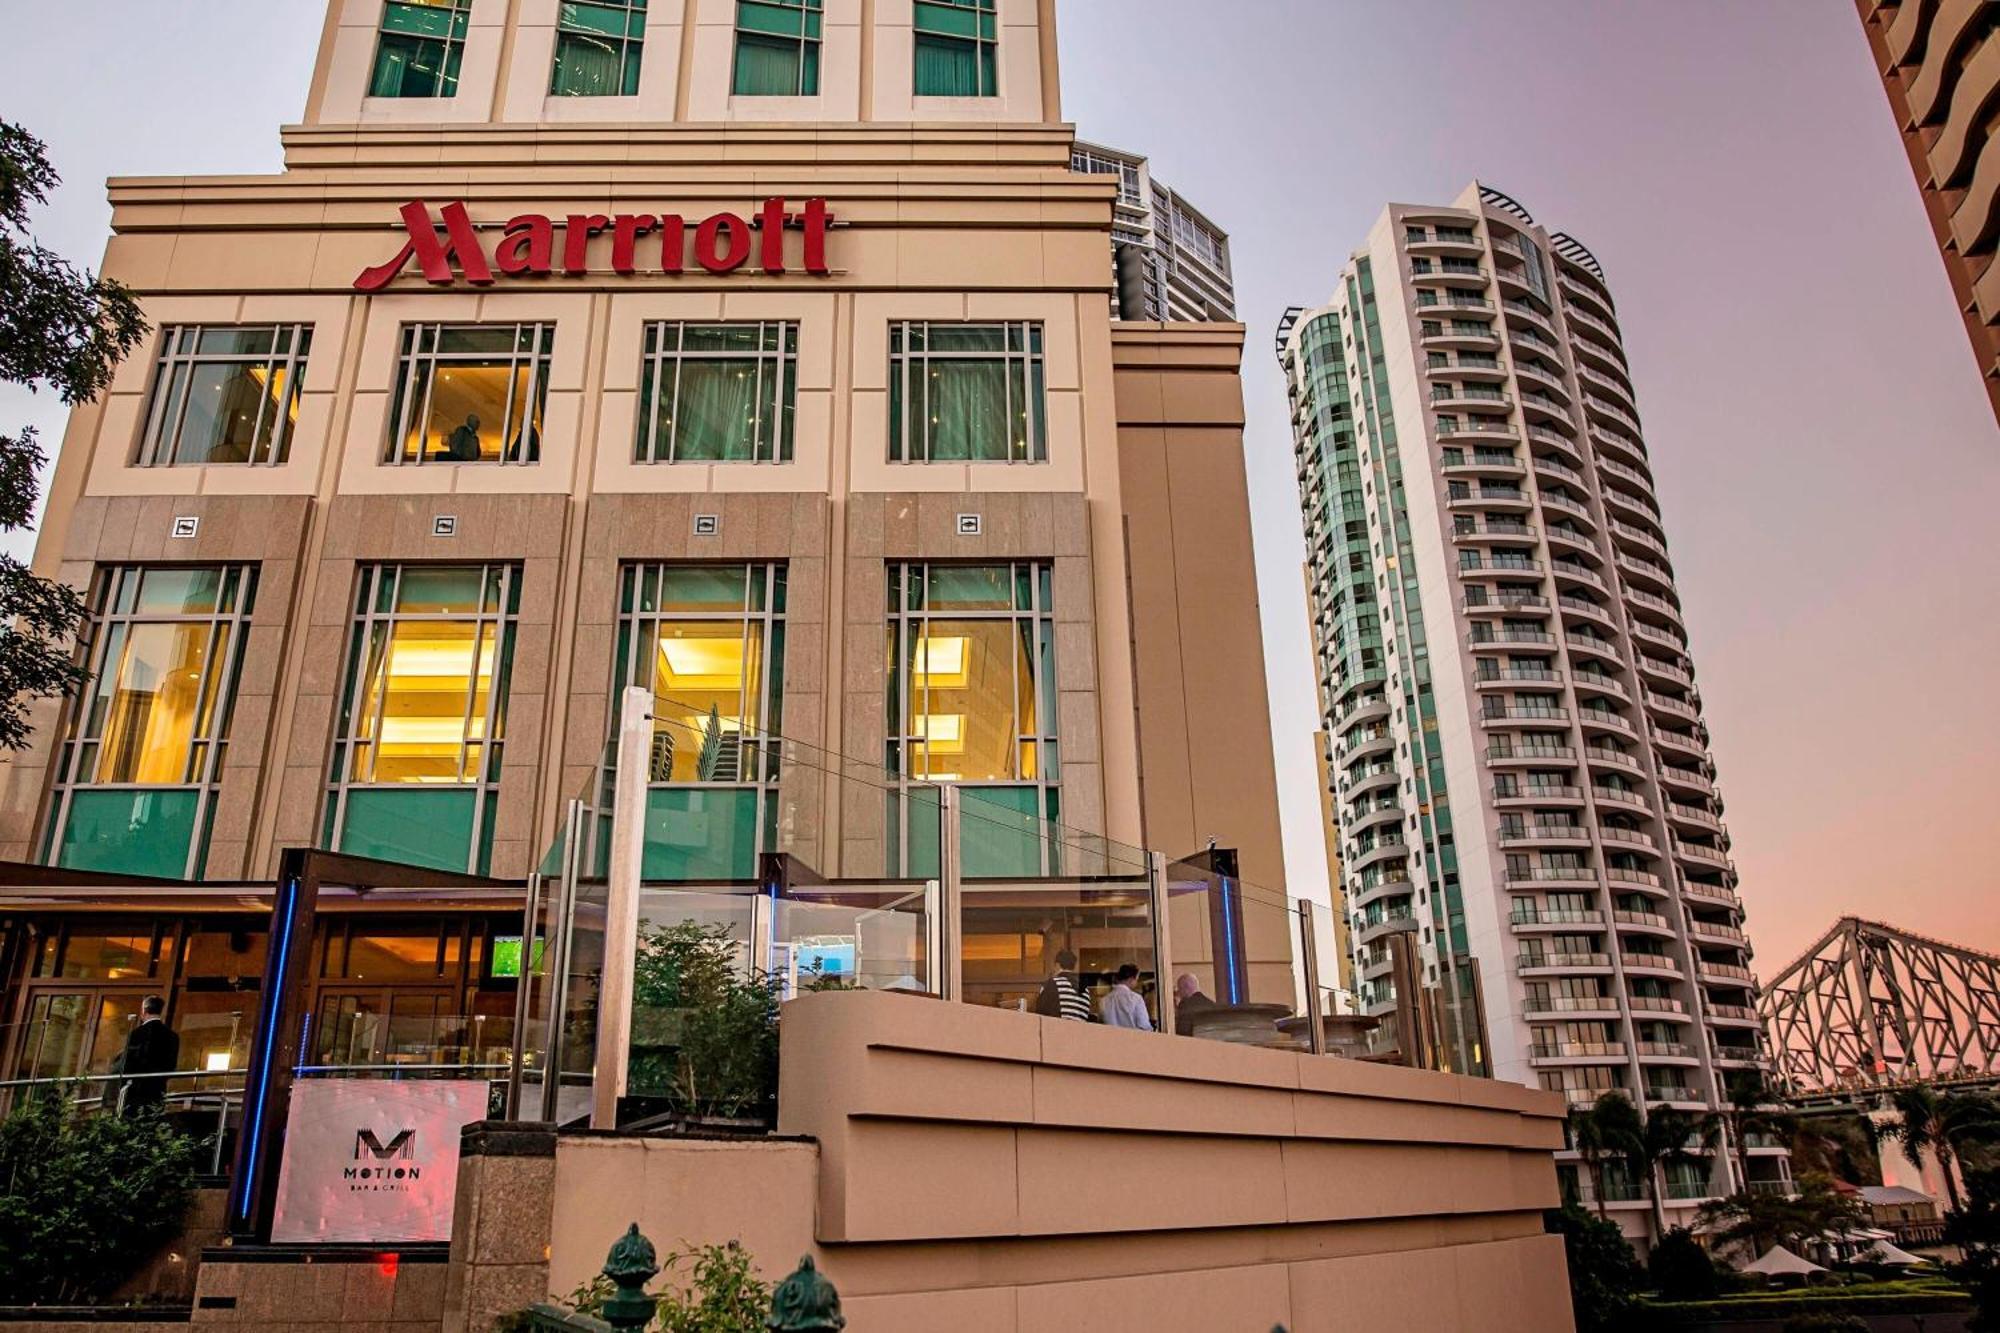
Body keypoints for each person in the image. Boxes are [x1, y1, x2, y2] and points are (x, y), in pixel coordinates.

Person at [115, 995, 179, 1118]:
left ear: (144, 1011)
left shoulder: (137, 1033)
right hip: (157, 1089)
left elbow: (129, 1063)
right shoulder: (172, 1036)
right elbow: (171, 1065)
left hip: (135, 1090)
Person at [1033, 948, 1093, 1022]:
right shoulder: (1085, 989)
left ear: (1057, 965)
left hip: (1058, 1030)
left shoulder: (1053, 983)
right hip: (1079, 1031)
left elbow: (1041, 1012)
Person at [1100, 962, 1153, 1031]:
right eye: (1136, 979)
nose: (1136, 982)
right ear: (1131, 979)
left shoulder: (1104, 1000)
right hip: (1132, 1040)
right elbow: (1144, 1027)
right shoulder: (1136, 999)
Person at [1173, 972, 1218, 1037]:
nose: (1179, 994)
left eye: (1180, 989)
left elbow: (1182, 1031)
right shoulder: (1212, 1004)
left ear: (1186, 987)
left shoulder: (1185, 1005)